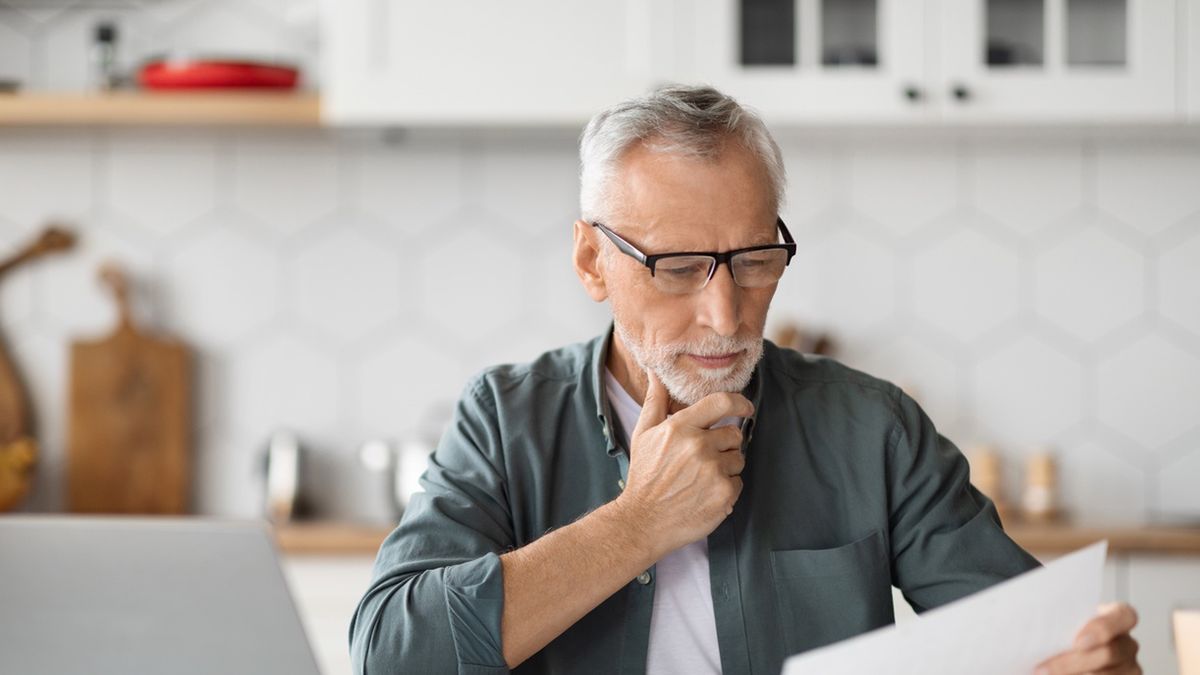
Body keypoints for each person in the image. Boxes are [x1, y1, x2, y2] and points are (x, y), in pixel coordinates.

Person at [348, 84, 1140, 675]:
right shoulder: (506, 418)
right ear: (593, 260)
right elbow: (390, 653)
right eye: (680, 267)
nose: (727, 315)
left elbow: (1037, 643)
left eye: (756, 261)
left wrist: (1087, 659)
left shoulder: (873, 429)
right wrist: (636, 527)